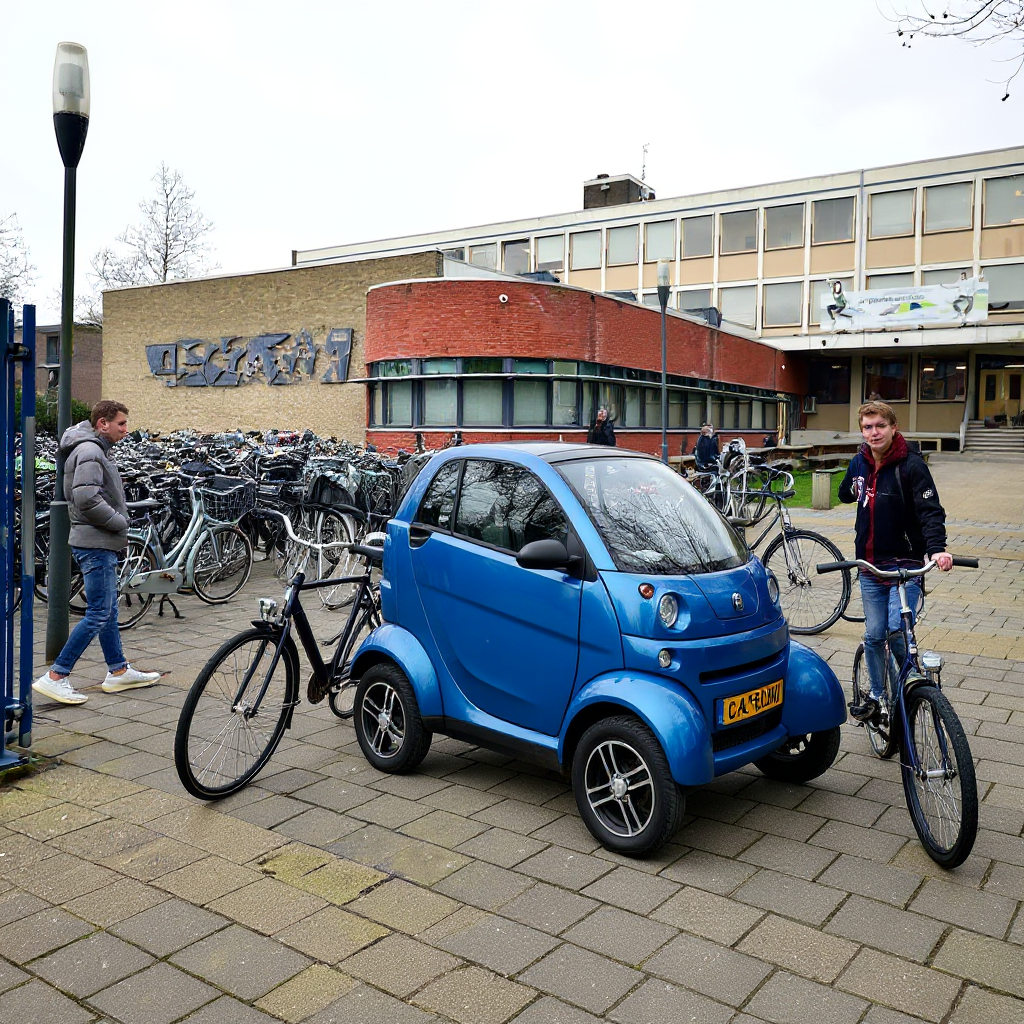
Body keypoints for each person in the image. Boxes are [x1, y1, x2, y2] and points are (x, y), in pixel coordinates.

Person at [33, 400, 162, 705]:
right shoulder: (91, 451)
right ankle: (56, 676)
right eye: (121, 424)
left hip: (95, 540)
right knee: (98, 613)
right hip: (96, 542)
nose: (126, 430)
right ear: (102, 423)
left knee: (108, 610)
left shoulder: (92, 449)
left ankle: (118, 671)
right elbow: (86, 497)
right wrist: (120, 523)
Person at [838, 401, 952, 722]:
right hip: (870, 566)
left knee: (895, 630)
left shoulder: (912, 465)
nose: (874, 432)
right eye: (867, 427)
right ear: (862, 431)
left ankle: (911, 685)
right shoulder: (859, 462)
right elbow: (847, 493)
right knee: (874, 634)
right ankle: (877, 697)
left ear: (893, 427)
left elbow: (930, 512)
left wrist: (937, 549)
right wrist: (849, 488)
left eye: (880, 426)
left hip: (905, 567)